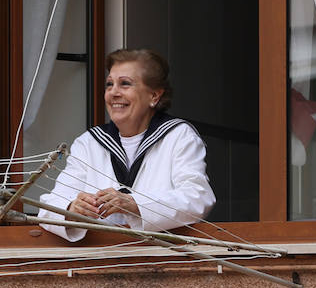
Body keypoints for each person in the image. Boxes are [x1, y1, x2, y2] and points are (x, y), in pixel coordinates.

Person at [37, 48, 215, 242]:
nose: (113, 92)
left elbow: (198, 198)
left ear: (154, 96)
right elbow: (49, 207)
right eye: (109, 84)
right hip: (97, 259)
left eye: (125, 84)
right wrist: (71, 209)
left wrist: (135, 204)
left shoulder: (178, 136)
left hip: (162, 258)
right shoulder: (89, 142)